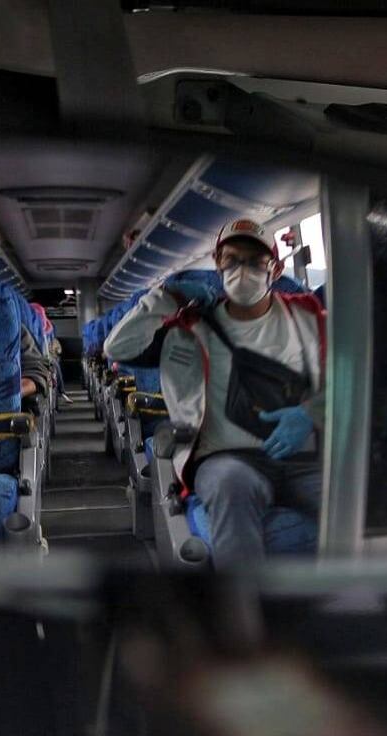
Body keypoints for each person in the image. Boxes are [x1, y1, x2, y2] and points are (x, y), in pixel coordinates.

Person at [104, 218, 326, 567]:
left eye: (255, 262)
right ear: (217, 263)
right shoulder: (188, 326)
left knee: (353, 497)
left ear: (276, 268)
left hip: (302, 459)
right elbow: (116, 348)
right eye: (232, 260)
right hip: (228, 458)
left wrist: (311, 412)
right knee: (231, 484)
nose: (242, 271)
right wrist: (166, 297)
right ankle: (242, 598)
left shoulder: (307, 315)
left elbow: (351, 375)